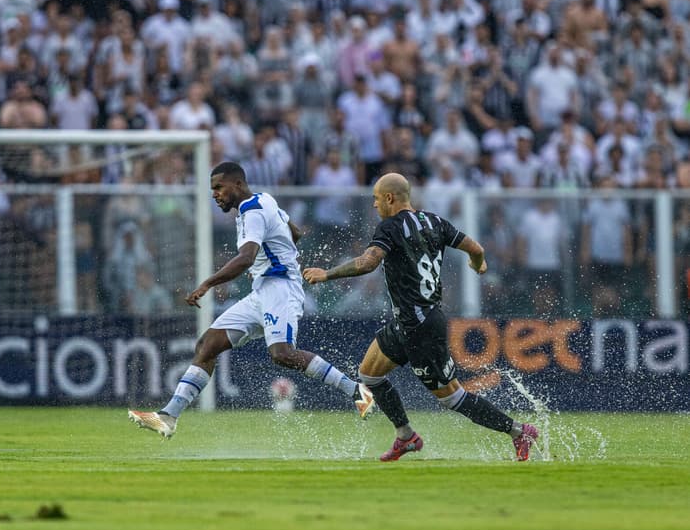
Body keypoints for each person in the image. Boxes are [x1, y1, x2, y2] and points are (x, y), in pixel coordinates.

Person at [302, 173, 539, 461]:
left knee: (452, 397)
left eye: (377, 199)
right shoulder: (435, 222)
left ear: (390, 198)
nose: (375, 205)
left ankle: (518, 431)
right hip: (406, 321)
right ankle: (406, 436)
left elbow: (368, 263)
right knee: (368, 375)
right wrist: (478, 265)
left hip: (422, 327)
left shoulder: (390, 227)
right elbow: (476, 249)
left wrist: (327, 273)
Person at [128, 162, 374, 438]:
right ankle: (168, 416)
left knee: (282, 354)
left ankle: (357, 391)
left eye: (219, 187)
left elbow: (246, 258)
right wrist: (286, 249)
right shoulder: (264, 199)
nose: (215, 194)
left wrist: (207, 283)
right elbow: (295, 232)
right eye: (212, 189)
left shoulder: (252, 211)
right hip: (263, 290)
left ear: (239, 185)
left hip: (280, 288)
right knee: (207, 345)